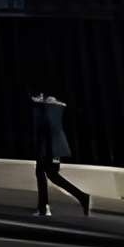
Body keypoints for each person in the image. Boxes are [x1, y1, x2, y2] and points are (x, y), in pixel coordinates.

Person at [29, 89, 93, 219]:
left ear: (41, 96)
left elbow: (46, 129)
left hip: (48, 149)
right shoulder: (55, 107)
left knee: (45, 174)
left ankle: (44, 208)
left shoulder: (45, 109)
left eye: (34, 97)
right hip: (54, 148)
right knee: (50, 175)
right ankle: (81, 197)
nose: (33, 100)